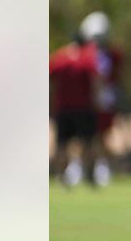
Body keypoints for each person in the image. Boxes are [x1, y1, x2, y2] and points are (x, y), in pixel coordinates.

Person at [49, 31, 99, 187]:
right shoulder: (87, 59)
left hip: (63, 108)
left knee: (62, 145)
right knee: (88, 143)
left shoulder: (59, 58)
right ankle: (89, 177)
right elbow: (95, 83)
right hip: (83, 108)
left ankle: (62, 178)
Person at [81, 12, 124, 187]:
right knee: (87, 137)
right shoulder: (84, 54)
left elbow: (117, 77)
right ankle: (84, 168)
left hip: (105, 100)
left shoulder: (113, 54)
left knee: (103, 135)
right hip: (87, 100)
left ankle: (103, 167)